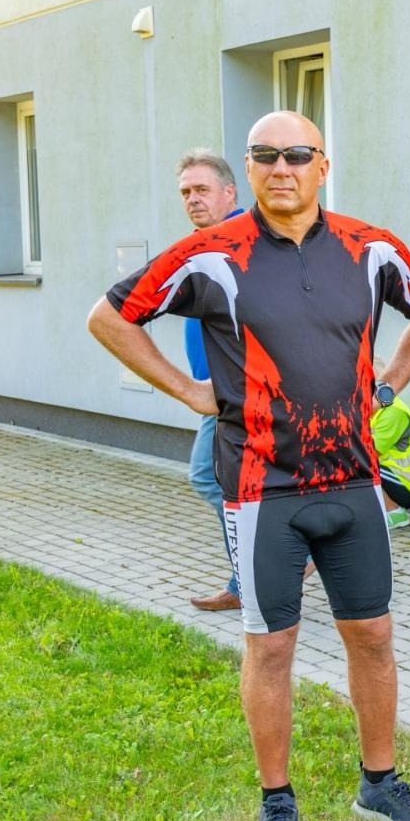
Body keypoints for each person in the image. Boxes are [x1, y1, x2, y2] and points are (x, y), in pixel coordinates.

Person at [88, 111, 410, 821]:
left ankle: (379, 784)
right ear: (248, 170)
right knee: (272, 645)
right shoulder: (213, 254)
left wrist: (387, 386)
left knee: (374, 635)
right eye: (264, 155)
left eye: (297, 154)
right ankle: (277, 805)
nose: (281, 166)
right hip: (262, 489)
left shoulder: (371, 248)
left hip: (354, 482)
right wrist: (188, 391)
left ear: (324, 165)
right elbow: (110, 317)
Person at [175, 150, 246, 612]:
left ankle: (257, 572)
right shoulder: (208, 241)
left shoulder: (239, 241)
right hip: (215, 392)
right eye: (186, 192)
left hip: (230, 394)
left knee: (209, 476)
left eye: (202, 190)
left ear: (229, 192)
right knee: (226, 483)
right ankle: (253, 575)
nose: (193, 200)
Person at [371, 385, 410, 528]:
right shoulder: (373, 408)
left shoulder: (392, 412)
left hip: (409, 485)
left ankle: (394, 513)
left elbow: (369, 453)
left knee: (359, 467)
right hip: (395, 475)